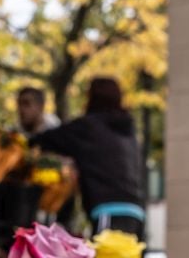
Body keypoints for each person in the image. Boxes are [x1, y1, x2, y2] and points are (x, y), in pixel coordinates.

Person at [34, 76, 145, 237]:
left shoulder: (88, 127)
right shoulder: (128, 132)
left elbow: (47, 140)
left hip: (108, 208)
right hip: (136, 210)